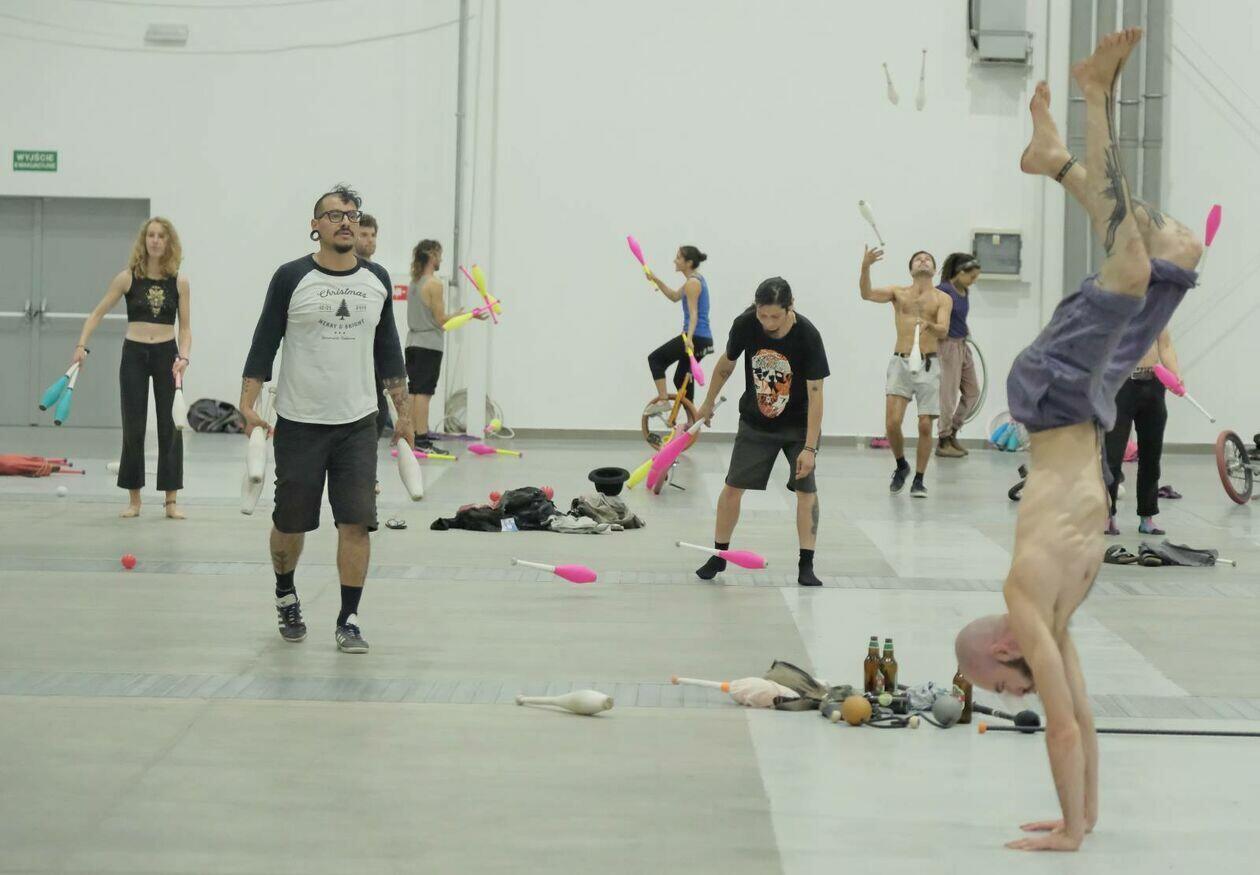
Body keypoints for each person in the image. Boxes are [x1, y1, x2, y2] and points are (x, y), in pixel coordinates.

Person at [954, 29, 1202, 852]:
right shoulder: (1053, 620)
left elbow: (1058, 727)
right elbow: (1084, 717)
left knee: (1130, 265)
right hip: (1085, 404)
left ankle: (1094, 94)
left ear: (1002, 645)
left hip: (1052, 394)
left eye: (998, 683)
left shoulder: (1028, 597)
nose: (1011, 693)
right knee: (1178, 250)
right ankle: (1055, 159)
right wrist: (1082, 817)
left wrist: (1063, 835)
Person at [241, 184, 411, 654]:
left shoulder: (376, 279)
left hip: (358, 422)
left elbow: (389, 351)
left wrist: (404, 413)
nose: (345, 221)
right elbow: (264, 341)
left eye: (352, 214)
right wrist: (248, 404)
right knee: (290, 525)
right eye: (334, 214)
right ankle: (285, 593)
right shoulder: (291, 277)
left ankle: (348, 618)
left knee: (356, 522)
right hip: (299, 422)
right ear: (315, 226)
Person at [693, 277, 829, 587]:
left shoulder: (808, 335)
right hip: (756, 421)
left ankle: (806, 564)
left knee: (806, 491)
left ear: (790, 307)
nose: (768, 322)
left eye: (775, 316)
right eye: (762, 314)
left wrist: (809, 448)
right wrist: (708, 403)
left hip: (799, 425)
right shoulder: (745, 324)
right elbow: (726, 364)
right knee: (732, 487)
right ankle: (719, 554)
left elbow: (816, 392)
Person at [73, 217, 191, 519]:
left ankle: (170, 501)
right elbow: (96, 313)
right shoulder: (127, 278)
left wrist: (184, 357)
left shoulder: (179, 281)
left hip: (167, 356)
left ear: (169, 242)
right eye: (151, 235)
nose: (155, 240)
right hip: (134, 355)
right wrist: (81, 346)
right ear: (144, 240)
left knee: (170, 427)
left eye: (161, 236)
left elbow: (185, 328)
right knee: (133, 426)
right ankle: (134, 500)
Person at [859, 247, 953, 496]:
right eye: (918, 259)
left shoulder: (943, 298)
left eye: (928, 259)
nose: (923, 261)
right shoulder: (898, 293)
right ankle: (902, 465)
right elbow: (866, 294)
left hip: (928, 364)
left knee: (925, 425)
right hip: (900, 362)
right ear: (911, 269)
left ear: (935, 269)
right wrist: (866, 266)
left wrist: (930, 325)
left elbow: (944, 329)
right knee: (892, 423)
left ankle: (919, 480)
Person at [405, 239, 481, 453]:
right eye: (439, 254)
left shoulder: (414, 282)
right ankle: (421, 439)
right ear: (431, 255)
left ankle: (412, 437)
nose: (441, 259)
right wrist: (469, 315)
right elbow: (441, 320)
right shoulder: (434, 284)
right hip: (429, 345)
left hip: (412, 343)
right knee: (424, 393)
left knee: (414, 391)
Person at [1103, 330, 1179, 535]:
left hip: (1153, 385)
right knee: (1112, 456)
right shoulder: (1117, 312)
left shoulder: (1157, 314)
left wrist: (1175, 374)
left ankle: (1147, 516)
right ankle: (1107, 516)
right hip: (1121, 385)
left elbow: (1165, 345)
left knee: (1151, 456)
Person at [646, 246, 713, 410]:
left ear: (688, 262)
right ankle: (692, 418)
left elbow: (694, 314)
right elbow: (674, 296)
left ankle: (664, 400)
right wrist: (655, 279)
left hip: (695, 337)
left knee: (655, 359)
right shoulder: (693, 281)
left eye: (678, 258)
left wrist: (688, 338)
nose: (674, 261)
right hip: (701, 338)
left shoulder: (692, 283)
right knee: (681, 378)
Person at [935, 253, 982, 458]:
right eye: (971, 276)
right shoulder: (943, 291)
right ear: (960, 272)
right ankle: (943, 440)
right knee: (948, 396)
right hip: (947, 347)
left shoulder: (964, 291)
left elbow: (959, 317)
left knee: (973, 393)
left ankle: (953, 431)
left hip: (963, 345)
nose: (973, 281)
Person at [353, 213, 393, 438]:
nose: (370, 240)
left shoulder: (379, 275)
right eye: (364, 234)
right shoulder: (348, 272)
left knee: (379, 413)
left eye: (373, 235)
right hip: (353, 357)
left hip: (374, 359)